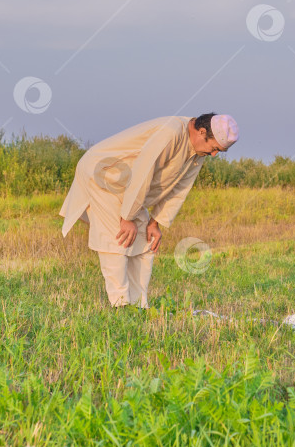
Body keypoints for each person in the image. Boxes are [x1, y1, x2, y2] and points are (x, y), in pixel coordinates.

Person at [59, 113, 239, 309]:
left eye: (218, 152)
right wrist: (127, 217)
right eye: (214, 149)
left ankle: (139, 305)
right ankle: (120, 306)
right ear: (202, 132)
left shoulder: (198, 152)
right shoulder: (170, 133)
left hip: (128, 187)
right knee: (116, 240)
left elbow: (180, 188)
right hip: (103, 174)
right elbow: (143, 172)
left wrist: (155, 222)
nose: (213, 155)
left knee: (146, 243)